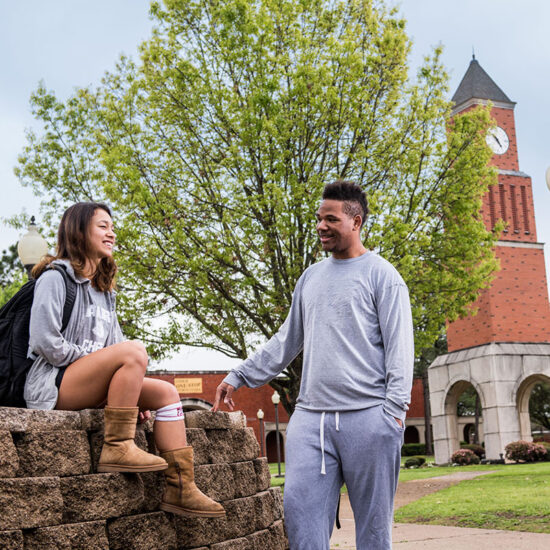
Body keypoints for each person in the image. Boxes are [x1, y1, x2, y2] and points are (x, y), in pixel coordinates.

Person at [213, 180, 414, 549]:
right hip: (310, 421)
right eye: (319, 218)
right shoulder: (310, 278)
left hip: (370, 419)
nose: (321, 225)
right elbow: (285, 341)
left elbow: (401, 350)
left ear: (356, 221)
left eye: (331, 218)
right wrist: (239, 374)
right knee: (301, 523)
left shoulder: (383, 277)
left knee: (373, 532)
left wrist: (394, 414)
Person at [25, 202, 224, 518]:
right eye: (102, 226)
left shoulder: (105, 292)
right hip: (54, 386)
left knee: (166, 394)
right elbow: (44, 341)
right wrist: (96, 362)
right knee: (134, 350)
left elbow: (116, 351)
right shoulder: (55, 277)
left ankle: (180, 488)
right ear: (79, 231)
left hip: (91, 385)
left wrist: (128, 394)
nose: (111, 232)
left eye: (111, 226)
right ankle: (117, 446)